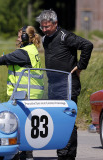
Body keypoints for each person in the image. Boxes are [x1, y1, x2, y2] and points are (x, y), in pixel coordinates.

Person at [0, 26, 43, 160]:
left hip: (25, 94)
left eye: (19, 36)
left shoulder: (23, 52)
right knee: (23, 125)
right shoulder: (31, 50)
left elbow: (2, 60)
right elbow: (19, 65)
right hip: (30, 93)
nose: (18, 38)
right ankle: (25, 154)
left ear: (25, 37)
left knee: (18, 125)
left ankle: (26, 154)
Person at [36, 9, 93, 160]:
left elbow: (87, 45)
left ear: (55, 24)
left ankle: (67, 155)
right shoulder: (45, 39)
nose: (44, 30)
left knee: (67, 120)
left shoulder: (65, 36)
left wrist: (80, 66)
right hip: (53, 86)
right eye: (42, 27)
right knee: (55, 121)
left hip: (68, 85)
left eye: (47, 26)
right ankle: (62, 153)